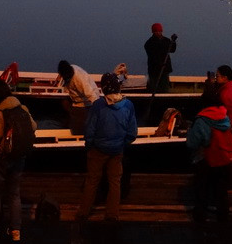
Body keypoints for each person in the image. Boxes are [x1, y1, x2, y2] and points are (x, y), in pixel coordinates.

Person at [0, 79, 37, 242]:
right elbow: (34, 126)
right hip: (20, 156)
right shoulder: (22, 108)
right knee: (14, 194)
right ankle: (16, 230)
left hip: (3, 157)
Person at [76, 73, 137, 222]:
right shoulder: (128, 105)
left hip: (97, 150)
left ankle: (83, 212)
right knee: (115, 182)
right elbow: (132, 132)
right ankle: (112, 214)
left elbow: (89, 129)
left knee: (92, 181)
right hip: (117, 150)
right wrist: (122, 144)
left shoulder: (98, 105)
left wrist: (89, 145)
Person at [186, 89, 232, 222]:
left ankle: (200, 217)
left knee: (202, 189)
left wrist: (189, 132)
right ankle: (223, 217)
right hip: (223, 158)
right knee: (221, 191)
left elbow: (193, 143)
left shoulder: (202, 120)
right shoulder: (224, 117)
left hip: (207, 159)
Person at [57, 60, 100, 135]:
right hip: (75, 100)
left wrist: (99, 111)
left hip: (85, 103)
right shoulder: (71, 68)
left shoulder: (80, 79)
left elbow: (92, 95)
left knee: (78, 130)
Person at [144, 23, 178, 92]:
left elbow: (172, 50)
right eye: (156, 31)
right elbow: (152, 55)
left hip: (165, 69)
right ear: (153, 32)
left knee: (164, 88)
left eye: (159, 31)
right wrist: (159, 63)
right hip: (154, 70)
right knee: (153, 88)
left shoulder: (166, 41)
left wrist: (173, 41)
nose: (158, 33)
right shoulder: (149, 43)